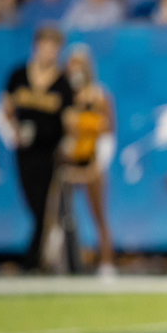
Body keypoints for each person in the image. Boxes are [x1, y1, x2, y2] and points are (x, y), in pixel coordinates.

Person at [3, 26, 73, 271]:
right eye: (45, 45)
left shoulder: (62, 82)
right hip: (24, 148)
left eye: (54, 47)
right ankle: (38, 255)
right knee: (32, 201)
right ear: (36, 46)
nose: (49, 52)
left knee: (44, 205)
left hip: (49, 151)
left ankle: (33, 259)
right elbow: (7, 106)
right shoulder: (19, 74)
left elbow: (68, 119)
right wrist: (12, 128)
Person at [55, 45, 115, 276]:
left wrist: (100, 163)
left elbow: (108, 131)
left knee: (98, 213)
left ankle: (106, 263)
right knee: (61, 215)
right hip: (68, 160)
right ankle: (63, 263)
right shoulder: (64, 96)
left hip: (91, 158)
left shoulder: (99, 95)